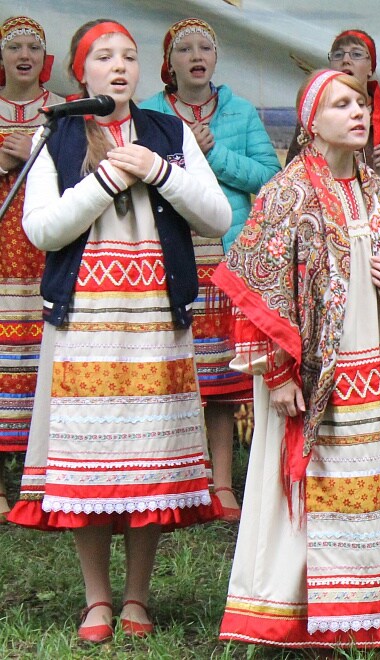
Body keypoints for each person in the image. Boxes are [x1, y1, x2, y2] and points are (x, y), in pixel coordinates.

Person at [7, 19, 230, 642]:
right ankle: (96, 600)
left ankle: (137, 597)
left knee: (148, 458)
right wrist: (105, 180)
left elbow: (215, 216)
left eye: (128, 56)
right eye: (104, 56)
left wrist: (159, 171)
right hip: (85, 323)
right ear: (80, 72)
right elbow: (42, 230)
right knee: (88, 462)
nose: (119, 66)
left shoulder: (167, 131)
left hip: (156, 318)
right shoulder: (55, 133)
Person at [214, 69, 380, 649]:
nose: (357, 112)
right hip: (311, 370)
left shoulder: (379, 193)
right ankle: (300, 615)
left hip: (371, 364)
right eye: (341, 105)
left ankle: (371, 607)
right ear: (310, 122)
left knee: (368, 480)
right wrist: (278, 373)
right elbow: (255, 285)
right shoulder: (288, 192)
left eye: (360, 103)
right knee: (311, 486)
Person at [140, 18, 281, 521]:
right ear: (169, 62)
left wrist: (214, 153)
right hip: (168, 252)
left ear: (216, 59)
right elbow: (139, 178)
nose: (197, 56)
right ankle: (176, 479)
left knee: (221, 377)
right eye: (185, 49)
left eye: (205, 47)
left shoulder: (239, 111)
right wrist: (181, 159)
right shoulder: (149, 113)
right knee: (172, 372)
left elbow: (271, 178)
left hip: (224, 256)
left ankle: (220, 483)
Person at [286, 29, 380, 426]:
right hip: (326, 266)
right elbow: (293, 188)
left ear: (372, 68)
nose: (346, 60)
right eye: (338, 54)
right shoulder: (303, 149)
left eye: (357, 54)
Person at [0, 15, 63, 521]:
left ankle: (41, 478)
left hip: (48, 248)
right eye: (14, 46)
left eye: (34, 47)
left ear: (46, 58)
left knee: (47, 358)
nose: (25, 54)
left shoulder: (63, 111)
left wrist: (35, 157)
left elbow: (84, 169)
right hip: (2, 254)